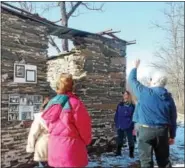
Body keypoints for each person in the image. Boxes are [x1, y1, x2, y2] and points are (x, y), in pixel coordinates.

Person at [128, 59, 177, 168]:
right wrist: (172, 135)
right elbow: (173, 118)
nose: (149, 81)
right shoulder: (169, 98)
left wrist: (135, 67)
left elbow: (132, 80)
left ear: (154, 81)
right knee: (164, 162)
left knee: (146, 163)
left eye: (151, 79)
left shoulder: (144, 92)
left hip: (145, 131)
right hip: (162, 132)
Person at [41, 73, 92, 168]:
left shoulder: (51, 103)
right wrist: (87, 141)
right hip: (72, 150)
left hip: (54, 148)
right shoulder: (75, 103)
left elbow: (47, 123)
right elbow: (85, 126)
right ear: (72, 86)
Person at [26, 96, 50, 168]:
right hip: (57, 146)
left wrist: (30, 148)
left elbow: (33, 134)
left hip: (43, 146)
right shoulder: (61, 116)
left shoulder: (39, 117)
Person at [114, 90, 135, 158]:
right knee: (119, 139)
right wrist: (116, 121)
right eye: (124, 94)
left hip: (128, 125)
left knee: (130, 139)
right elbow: (117, 113)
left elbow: (133, 116)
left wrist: (131, 124)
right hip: (120, 124)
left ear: (129, 96)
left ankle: (131, 153)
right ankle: (118, 152)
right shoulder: (120, 104)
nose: (125, 96)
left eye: (126, 94)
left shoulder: (132, 106)